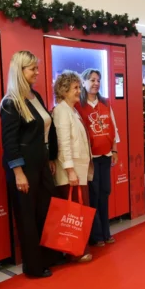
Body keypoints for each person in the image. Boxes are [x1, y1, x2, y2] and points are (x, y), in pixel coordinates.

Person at [0, 50, 62, 279]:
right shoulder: (10, 103)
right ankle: (33, 266)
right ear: (20, 70)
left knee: (44, 212)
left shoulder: (35, 96)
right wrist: (18, 172)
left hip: (41, 163)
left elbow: (46, 131)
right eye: (32, 68)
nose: (37, 72)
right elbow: (9, 142)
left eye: (37, 68)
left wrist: (51, 158)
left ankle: (47, 257)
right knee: (27, 217)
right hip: (24, 167)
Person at [52, 70, 94, 263]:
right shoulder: (61, 111)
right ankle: (74, 250)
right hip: (71, 171)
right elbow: (63, 143)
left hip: (79, 169)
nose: (79, 91)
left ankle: (77, 247)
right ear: (64, 90)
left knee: (78, 211)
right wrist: (69, 170)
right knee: (72, 212)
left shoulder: (72, 110)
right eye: (75, 88)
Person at [78, 69, 120, 248]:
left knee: (104, 193)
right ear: (84, 82)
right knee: (93, 196)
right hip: (90, 159)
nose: (96, 83)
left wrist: (115, 150)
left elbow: (113, 127)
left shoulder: (105, 103)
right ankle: (96, 235)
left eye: (98, 80)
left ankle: (106, 231)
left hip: (105, 156)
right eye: (92, 80)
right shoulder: (78, 105)